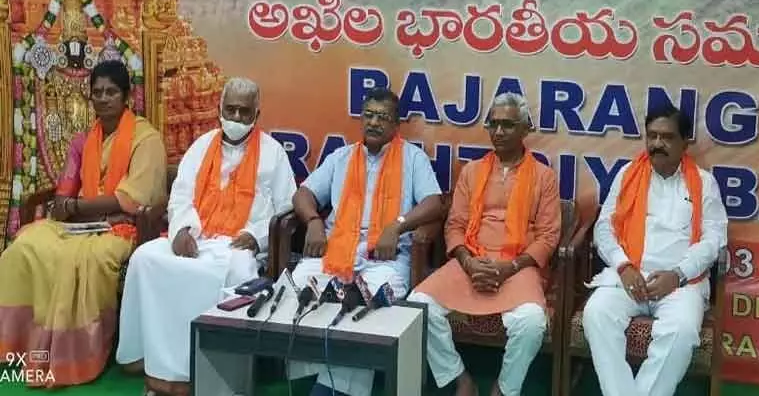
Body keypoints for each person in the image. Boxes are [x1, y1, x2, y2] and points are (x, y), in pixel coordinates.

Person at [116, 77, 296, 396]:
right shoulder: (202, 146)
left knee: (241, 272)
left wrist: (256, 237)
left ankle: (223, 375)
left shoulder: (273, 153)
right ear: (219, 109)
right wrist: (182, 230)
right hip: (197, 238)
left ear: (257, 113)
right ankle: (157, 365)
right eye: (231, 110)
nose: (237, 118)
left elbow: (285, 209)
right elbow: (180, 195)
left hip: (239, 245)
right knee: (145, 258)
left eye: (244, 111)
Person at [0, 59, 168, 387]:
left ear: (126, 96)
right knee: (23, 246)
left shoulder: (146, 140)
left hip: (124, 228)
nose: (104, 99)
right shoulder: (84, 140)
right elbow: (65, 190)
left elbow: (130, 200)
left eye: (111, 92)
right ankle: (16, 347)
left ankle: (73, 356)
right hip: (81, 225)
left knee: (87, 261)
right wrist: (66, 204)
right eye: (97, 93)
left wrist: (77, 205)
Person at [289, 87, 445, 396]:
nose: (373, 123)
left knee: (363, 305)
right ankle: (318, 377)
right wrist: (314, 221)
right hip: (335, 252)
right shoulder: (341, 157)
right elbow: (303, 194)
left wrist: (397, 226)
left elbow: (434, 202)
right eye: (369, 115)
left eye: (382, 117)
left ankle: (332, 390)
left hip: (385, 259)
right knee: (297, 286)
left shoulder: (413, 158)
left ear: (396, 124)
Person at [408, 92, 561, 396]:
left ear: (525, 130)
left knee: (530, 322)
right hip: (471, 261)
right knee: (417, 305)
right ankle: (459, 378)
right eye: (493, 124)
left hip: (518, 267)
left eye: (507, 124)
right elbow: (455, 225)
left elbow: (548, 236)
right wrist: (468, 261)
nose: (499, 132)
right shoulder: (472, 171)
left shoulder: (544, 177)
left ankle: (505, 388)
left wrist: (510, 267)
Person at [581, 104, 728, 396]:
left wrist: (678, 274)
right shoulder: (627, 175)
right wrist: (624, 266)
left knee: (682, 332)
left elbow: (714, 240)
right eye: (652, 136)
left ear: (685, 142)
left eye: (667, 137)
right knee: (596, 313)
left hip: (680, 284)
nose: (657, 144)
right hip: (629, 277)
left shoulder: (704, 183)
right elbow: (603, 229)